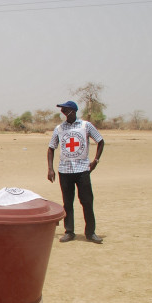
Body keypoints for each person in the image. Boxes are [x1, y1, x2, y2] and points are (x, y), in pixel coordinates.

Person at [47, 100, 105, 243]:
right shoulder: (59, 128)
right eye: (62, 111)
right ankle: (69, 231)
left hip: (82, 170)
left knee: (87, 201)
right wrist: (50, 168)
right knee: (67, 202)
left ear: (73, 111)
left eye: (66, 110)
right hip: (64, 171)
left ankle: (90, 233)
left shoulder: (86, 126)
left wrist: (95, 161)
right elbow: (51, 148)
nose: (64, 113)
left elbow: (100, 141)